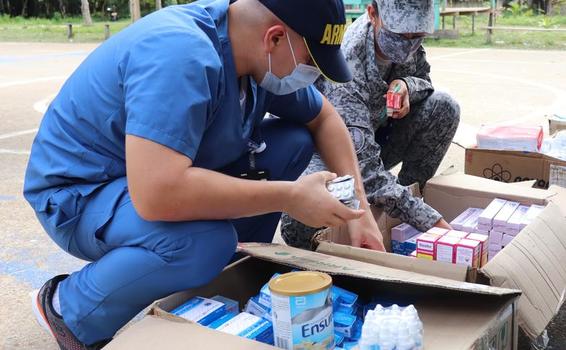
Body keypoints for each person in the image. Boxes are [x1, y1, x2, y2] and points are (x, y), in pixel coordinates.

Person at [23, 0, 385, 348]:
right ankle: (69, 308)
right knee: (203, 243)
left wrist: (361, 213)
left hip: (151, 179)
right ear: (274, 38)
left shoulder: (252, 56)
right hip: (82, 193)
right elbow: (156, 195)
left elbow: (324, 119)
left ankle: (226, 274)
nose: (310, 74)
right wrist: (290, 196)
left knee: (292, 141)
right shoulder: (182, 55)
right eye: (310, 62)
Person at [281, 0, 460, 249]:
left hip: (376, 139)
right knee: (310, 212)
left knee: (444, 107)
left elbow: (424, 79)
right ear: (372, 14)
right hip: (331, 156)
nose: (408, 43)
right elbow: (363, 168)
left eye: (417, 35)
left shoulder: (408, 43)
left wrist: (407, 85)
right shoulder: (348, 59)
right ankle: (398, 208)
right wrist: (432, 222)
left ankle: (404, 200)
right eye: (399, 34)